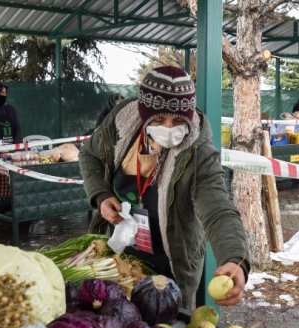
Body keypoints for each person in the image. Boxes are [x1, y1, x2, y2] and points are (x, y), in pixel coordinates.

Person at [79, 66, 249, 308]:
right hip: (120, 257)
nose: (168, 128)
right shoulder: (121, 126)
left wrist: (235, 259)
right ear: (144, 115)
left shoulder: (198, 154)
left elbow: (218, 210)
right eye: (159, 119)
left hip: (171, 264)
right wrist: (101, 195)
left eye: (178, 120)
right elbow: (89, 154)